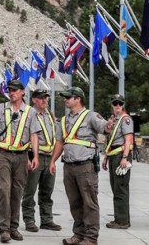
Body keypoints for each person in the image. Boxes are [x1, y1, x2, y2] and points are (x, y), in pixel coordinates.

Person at [0, 79, 41, 243]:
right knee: (4, 190)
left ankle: (14, 227)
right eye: (10, 90)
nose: (12, 93)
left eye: (15, 90)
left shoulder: (31, 112)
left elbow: (33, 135)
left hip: (21, 156)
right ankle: (4, 229)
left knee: (17, 192)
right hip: (3, 155)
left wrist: (35, 157)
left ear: (23, 92)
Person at [49, 87, 111, 245]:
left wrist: (109, 126)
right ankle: (78, 234)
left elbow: (104, 127)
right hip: (69, 166)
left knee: (89, 202)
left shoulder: (91, 116)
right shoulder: (64, 120)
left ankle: (91, 237)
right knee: (74, 202)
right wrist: (52, 161)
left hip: (86, 166)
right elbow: (60, 142)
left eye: (69, 97)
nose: (65, 100)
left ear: (78, 99)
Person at [21, 89, 62, 232]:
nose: (44, 100)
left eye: (46, 98)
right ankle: (29, 220)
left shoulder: (49, 114)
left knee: (47, 191)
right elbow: (24, 137)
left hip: (49, 157)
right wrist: (26, 157)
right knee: (29, 191)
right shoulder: (28, 115)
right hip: (34, 155)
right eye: (41, 98)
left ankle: (47, 220)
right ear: (34, 100)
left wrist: (54, 159)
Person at [102, 94, 134, 229]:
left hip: (121, 156)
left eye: (120, 104)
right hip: (113, 155)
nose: (118, 106)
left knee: (121, 189)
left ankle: (122, 221)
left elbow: (128, 140)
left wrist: (125, 158)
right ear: (112, 105)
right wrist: (106, 157)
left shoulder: (125, 120)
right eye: (115, 104)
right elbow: (110, 141)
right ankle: (121, 218)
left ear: (123, 105)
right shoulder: (115, 120)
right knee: (116, 188)